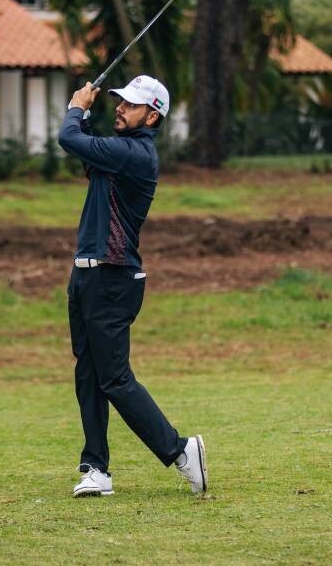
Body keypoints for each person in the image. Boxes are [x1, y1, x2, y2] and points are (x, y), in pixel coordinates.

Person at [58, 75, 207, 498]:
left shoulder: (136, 154)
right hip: (87, 274)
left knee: (115, 379)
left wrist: (76, 108)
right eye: (119, 100)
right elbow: (83, 145)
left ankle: (180, 450)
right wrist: (83, 114)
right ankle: (96, 468)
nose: (121, 107)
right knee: (88, 372)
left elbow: (69, 138)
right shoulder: (116, 154)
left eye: (131, 104)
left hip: (114, 278)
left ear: (152, 115)